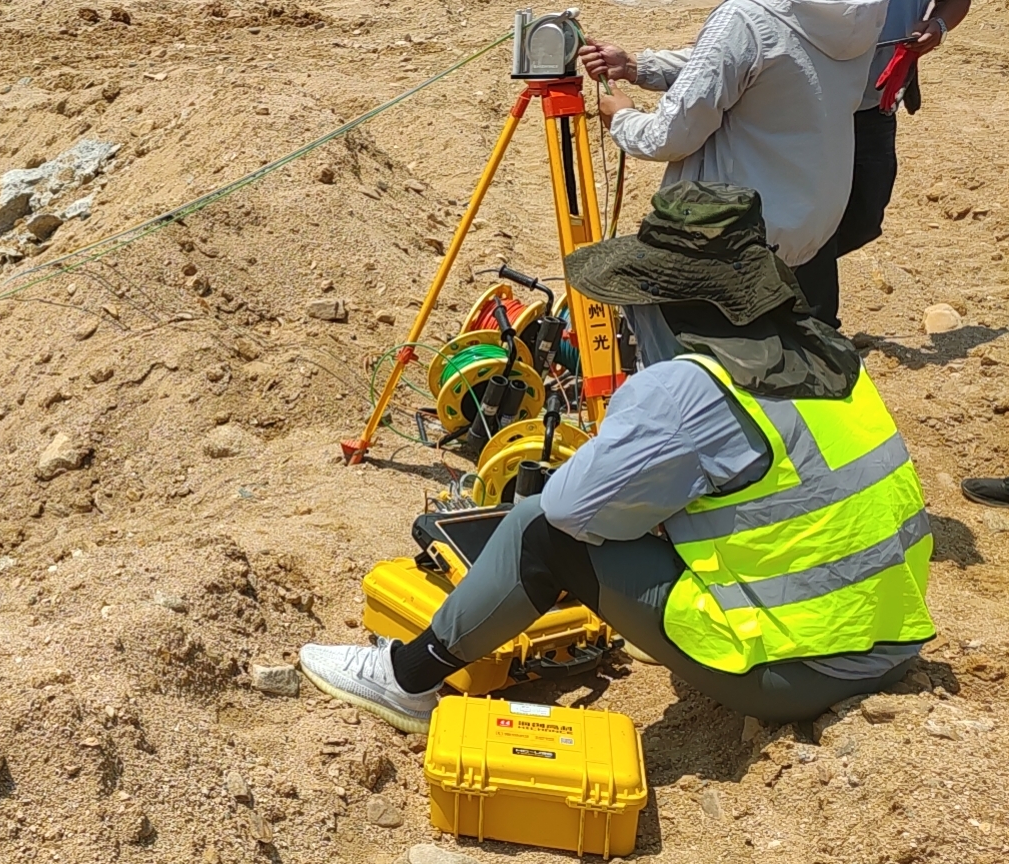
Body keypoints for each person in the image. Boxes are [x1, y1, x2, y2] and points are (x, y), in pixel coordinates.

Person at [302, 183, 936, 732]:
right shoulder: (827, 355)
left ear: (663, 302)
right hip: (891, 639)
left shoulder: (688, 390)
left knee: (537, 533)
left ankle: (406, 678)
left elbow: (568, 511)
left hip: (797, 673)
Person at [582, 0, 889, 330]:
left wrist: (622, 119)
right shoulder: (856, 14)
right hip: (808, 225)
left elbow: (668, 137)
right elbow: (740, 59)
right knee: (788, 353)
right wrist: (637, 66)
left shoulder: (744, 17)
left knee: (706, 364)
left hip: (730, 232)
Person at [802, 0, 970, 328]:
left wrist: (938, 27)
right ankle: (818, 330)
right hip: (814, 102)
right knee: (817, 220)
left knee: (867, 215)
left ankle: (785, 268)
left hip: (877, 102)